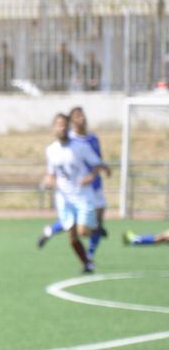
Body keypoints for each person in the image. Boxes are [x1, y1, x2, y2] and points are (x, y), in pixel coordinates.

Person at [37, 107, 110, 258]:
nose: (81, 118)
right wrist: (50, 181)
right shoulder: (69, 140)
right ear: (72, 122)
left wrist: (103, 168)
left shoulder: (92, 139)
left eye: (82, 115)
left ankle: (89, 255)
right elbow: (55, 168)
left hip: (94, 187)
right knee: (78, 227)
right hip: (75, 192)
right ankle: (51, 231)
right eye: (77, 116)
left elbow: (97, 160)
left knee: (91, 223)